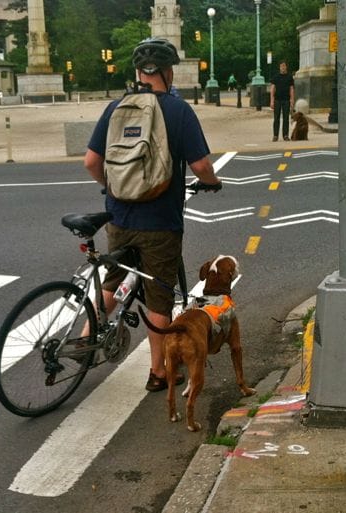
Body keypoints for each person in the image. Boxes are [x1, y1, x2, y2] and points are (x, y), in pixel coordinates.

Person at [84, 37, 222, 392]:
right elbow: (201, 164)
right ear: (167, 72)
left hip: (119, 218)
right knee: (159, 296)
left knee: (113, 281)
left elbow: (92, 162)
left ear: (137, 72)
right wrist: (212, 181)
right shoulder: (178, 111)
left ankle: (85, 340)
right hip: (160, 220)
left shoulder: (115, 108)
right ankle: (160, 372)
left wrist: (111, 188)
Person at [269, 60, 295, 142]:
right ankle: (275, 135)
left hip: (286, 100)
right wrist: (272, 101)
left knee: (286, 118)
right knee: (276, 118)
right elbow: (272, 89)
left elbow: (291, 89)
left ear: (286, 67)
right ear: (279, 67)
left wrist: (292, 100)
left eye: (284, 66)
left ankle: (285, 135)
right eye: (281, 66)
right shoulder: (276, 77)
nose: (283, 67)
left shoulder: (289, 77)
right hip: (277, 100)